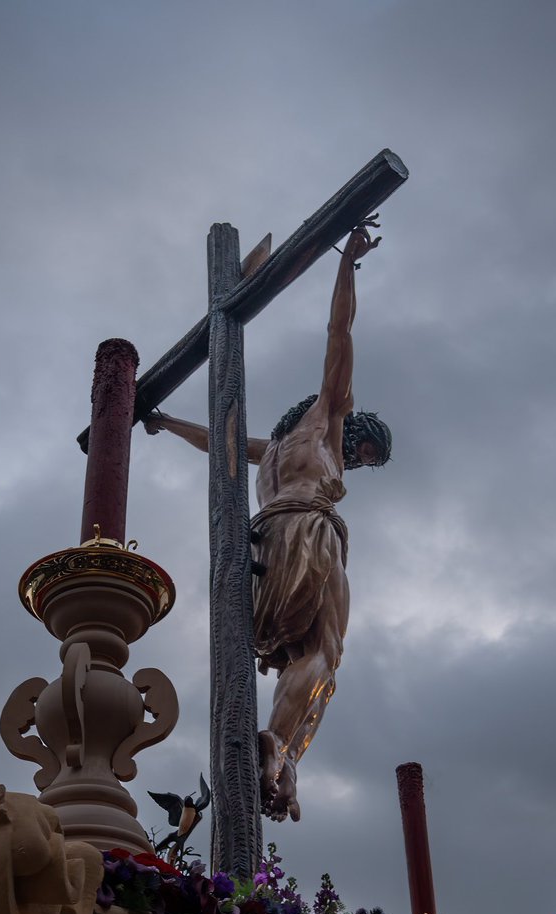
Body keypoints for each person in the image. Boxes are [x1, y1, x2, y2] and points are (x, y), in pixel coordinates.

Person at [145, 220, 391, 822]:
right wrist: (347, 262)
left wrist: (162, 419)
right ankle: (277, 746)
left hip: (258, 545)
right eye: (367, 454)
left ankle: (273, 746)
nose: (360, 464)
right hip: (310, 532)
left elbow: (211, 440)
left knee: (293, 655)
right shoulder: (327, 422)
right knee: (324, 654)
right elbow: (340, 333)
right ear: (353, 433)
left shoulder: (270, 451)